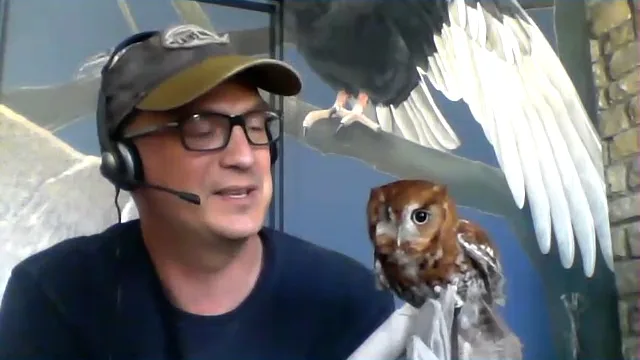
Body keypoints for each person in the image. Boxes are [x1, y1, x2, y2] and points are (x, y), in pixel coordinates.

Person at [0, 24, 396, 360]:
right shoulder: (52, 296)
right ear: (125, 161)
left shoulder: (348, 301)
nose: (245, 156)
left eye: (257, 127)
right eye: (202, 130)